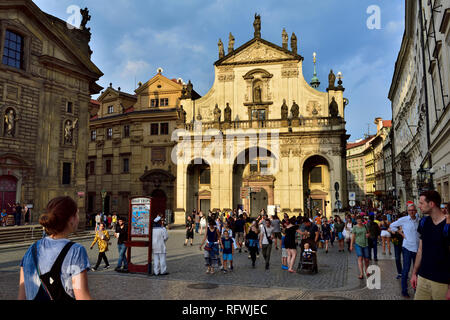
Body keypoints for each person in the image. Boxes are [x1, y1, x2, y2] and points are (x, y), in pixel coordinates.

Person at [18, 196, 91, 300]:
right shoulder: (76, 251)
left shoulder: (31, 250)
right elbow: (82, 296)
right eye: (77, 214)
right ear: (71, 219)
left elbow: (21, 297)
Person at [411, 191, 450, 300]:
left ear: (431, 204)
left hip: (442, 281)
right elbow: (420, 250)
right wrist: (414, 273)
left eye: (421, 203)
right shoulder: (424, 222)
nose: (419, 206)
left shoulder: (447, 226)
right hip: (423, 277)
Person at [389, 201, 420, 298]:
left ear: (416, 211)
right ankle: (404, 290)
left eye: (413, 210)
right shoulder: (404, 219)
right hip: (407, 248)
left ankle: (417, 290)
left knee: (417, 271)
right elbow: (392, 225)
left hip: (417, 249)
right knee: (406, 270)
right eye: (410, 210)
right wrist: (400, 232)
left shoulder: (419, 220)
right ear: (407, 211)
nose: (411, 212)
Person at [390, 214, 405, 280]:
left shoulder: (405, 226)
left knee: (405, 259)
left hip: (405, 244)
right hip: (397, 244)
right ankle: (400, 273)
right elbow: (392, 235)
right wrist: (392, 232)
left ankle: (405, 273)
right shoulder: (394, 227)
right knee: (397, 258)